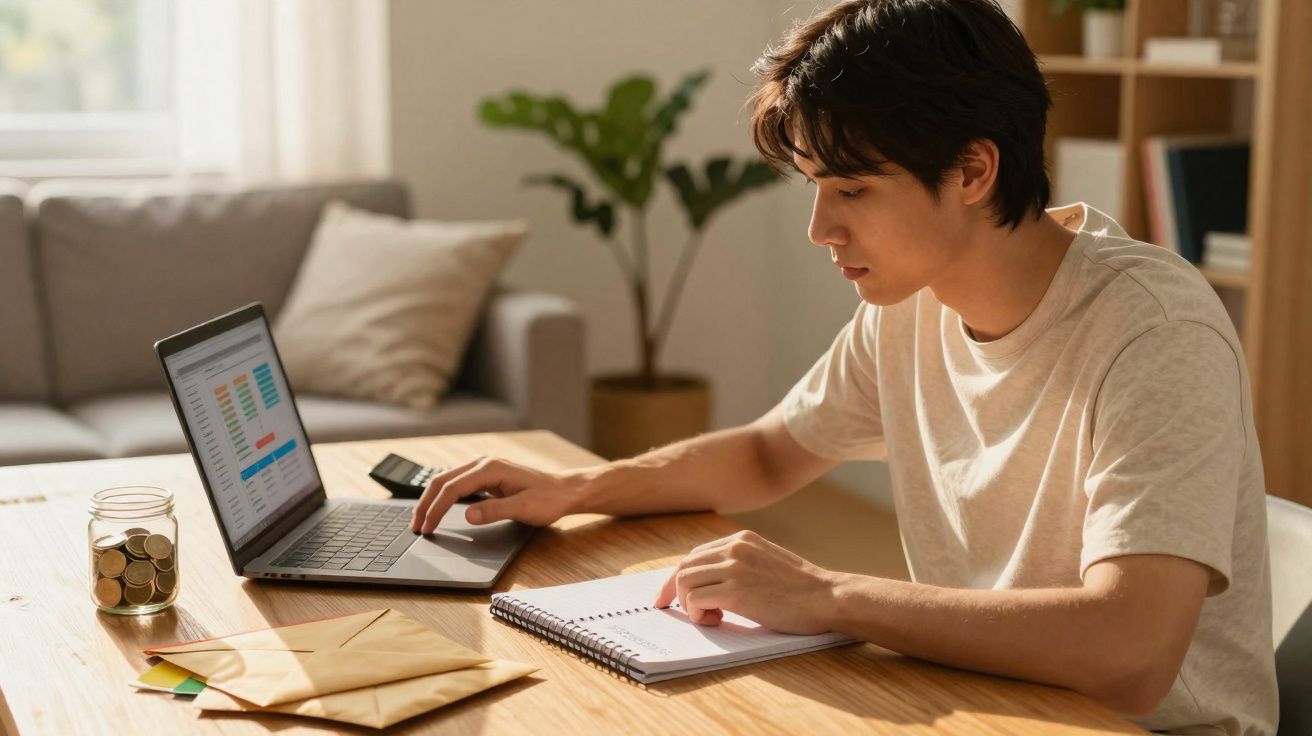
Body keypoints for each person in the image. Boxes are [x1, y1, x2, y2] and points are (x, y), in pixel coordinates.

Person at [411, 1, 1276, 732]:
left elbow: (1130, 655)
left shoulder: (1153, 331)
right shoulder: (915, 301)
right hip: (982, 701)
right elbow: (766, 454)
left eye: (853, 191)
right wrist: (577, 491)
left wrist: (827, 594)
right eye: (815, 187)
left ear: (974, 170)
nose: (821, 230)